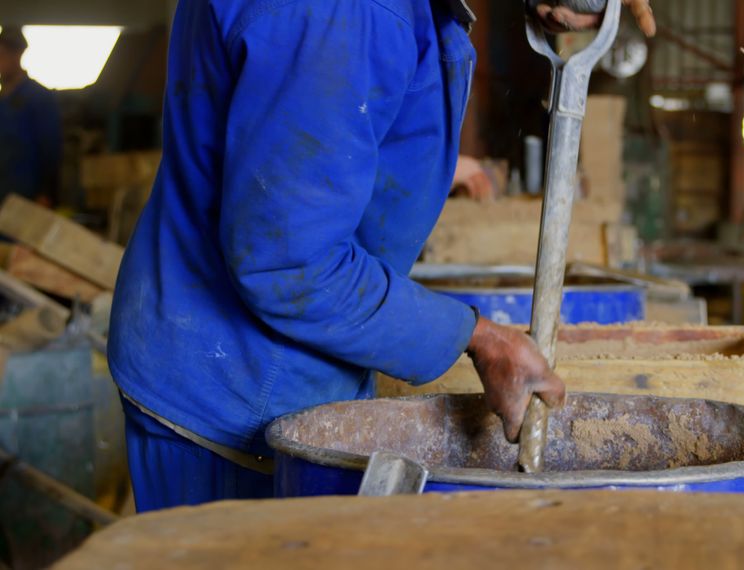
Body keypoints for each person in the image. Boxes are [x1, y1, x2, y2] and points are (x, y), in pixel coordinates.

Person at [108, 0, 654, 512]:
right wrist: (478, 339)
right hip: (235, 390)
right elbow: (291, 265)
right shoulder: (348, 14)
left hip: (265, 360)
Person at [0, 27, 62, 206]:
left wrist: (46, 192)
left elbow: (51, 149)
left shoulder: (38, 98)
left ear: (16, 55)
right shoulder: (2, 100)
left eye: (2, 55)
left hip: (26, 197)